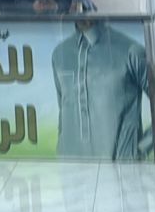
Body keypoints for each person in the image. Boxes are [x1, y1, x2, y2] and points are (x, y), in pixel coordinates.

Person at [52, 19, 149, 161]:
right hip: (69, 164)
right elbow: (63, 109)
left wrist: (139, 150)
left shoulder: (130, 50)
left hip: (120, 167)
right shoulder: (60, 54)